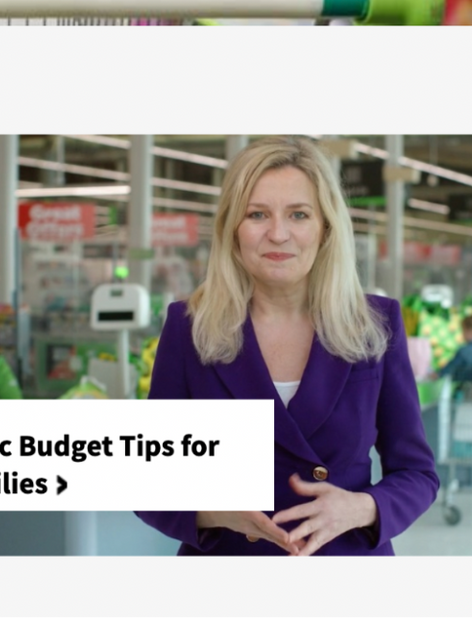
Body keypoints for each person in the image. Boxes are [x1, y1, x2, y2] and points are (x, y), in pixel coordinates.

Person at [135, 136, 438, 556]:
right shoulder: (189, 327)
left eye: (298, 214)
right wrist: (214, 513)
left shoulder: (374, 325)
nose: (278, 234)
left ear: (325, 228)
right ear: (232, 229)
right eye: (257, 214)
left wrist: (361, 508)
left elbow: (418, 474)